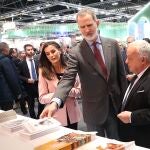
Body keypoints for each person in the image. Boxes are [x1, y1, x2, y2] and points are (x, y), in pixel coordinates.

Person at [40, 8, 127, 139]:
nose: (87, 30)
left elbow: (121, 76)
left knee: (118, 142)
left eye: (89, 25)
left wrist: (127, 103)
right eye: (82, 27)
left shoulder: (112, 44)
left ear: (97, 23)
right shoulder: (75, 52)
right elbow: (67, 79)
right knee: (97, 145)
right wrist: (55, 102)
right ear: (79, 28)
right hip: (93, 110)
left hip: (116, 106)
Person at [38, 41, 81, 130]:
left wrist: (65, 90)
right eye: (47, 54)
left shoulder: (71, 68)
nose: (51, 55)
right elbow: (42, 98)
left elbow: (79, 91)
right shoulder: (43, 71)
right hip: (55, 115)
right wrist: (59, 95)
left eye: (53, 51)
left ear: (60, 50)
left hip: (72, 113)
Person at [117, 40, 150, 148]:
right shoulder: (137, 75)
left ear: (142, 60)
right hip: (134, 137)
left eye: (130, 58)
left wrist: (132, 116)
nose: (126, 61)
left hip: (143, 140)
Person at [0, 42, 22, 111]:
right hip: (6, 95)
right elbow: (12, 78)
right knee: (8, 116)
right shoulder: (5, 60)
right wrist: (18, 92)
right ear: (5, 49)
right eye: (8, 48)